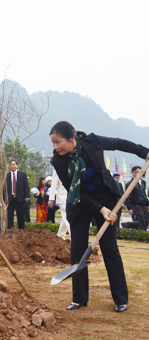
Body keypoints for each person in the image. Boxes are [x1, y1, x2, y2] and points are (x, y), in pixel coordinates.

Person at [49, 121, 148, 313]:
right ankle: (79, 298)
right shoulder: (59, 161)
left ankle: (120, 298)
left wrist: (144, 152)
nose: (55, 147)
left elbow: (119, 143)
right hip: (79, 203)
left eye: (58, 142)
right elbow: (75, 192)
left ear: (72, 139)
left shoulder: (92, 142)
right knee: (77, 249)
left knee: (109, 248)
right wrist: (100, 209)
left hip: (108, 198)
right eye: (53, 143)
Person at [123, 166, 149, 231]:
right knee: (141, 220)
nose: (137, 173)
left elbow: (144, 194)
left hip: (143, 204)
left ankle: (127, 224)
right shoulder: (130, 183)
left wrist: (147, 204)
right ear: (132, 173)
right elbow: (128, 196)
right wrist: (129, 208)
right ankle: (141, 235)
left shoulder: (143, 182)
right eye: (135, 172)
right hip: (136, 204)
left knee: (146, 221)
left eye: (139, 172)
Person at [6, 160, 30, 229]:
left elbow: (26, 186)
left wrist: (27, 196)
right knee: (10, 215)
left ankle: (21, 229)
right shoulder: (7, 175)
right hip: (10, 198)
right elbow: (5, 188)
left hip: (20, 198)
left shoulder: (22, 175)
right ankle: (10, 229)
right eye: (11, 164)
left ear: (17, 166)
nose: (12, 166)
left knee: (20, 215)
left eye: (14, 164)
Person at [48, 171, 70, 238]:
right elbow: (53, 184)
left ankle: (60, 236)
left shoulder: (72, 165)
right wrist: (51, 199)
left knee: (65, 218)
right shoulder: (57, 168)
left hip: (71, 196)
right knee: (68, 217)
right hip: (63, 197)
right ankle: (74, 236)